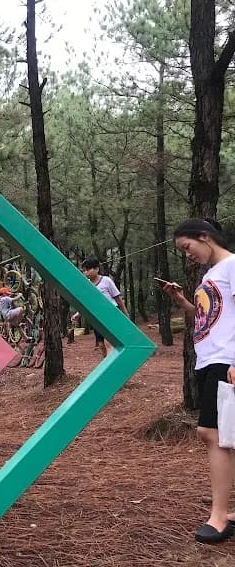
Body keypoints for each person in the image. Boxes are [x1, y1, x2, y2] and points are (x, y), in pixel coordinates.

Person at [160, 218, 235, 543]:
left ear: (204, 237)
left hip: (225, 361)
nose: (187, 255)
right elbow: (208, 316)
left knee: (213, 433)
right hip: (209, 361)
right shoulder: (210, 275)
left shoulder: (232, 266)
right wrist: (182, 303)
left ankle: (219, 516)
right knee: (225, 435)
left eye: (187, 247)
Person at [80, 257, 129, 358]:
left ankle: (113, 364)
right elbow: (88, 303)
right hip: (98, 317)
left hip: (111, 314)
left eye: (88, 269)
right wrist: (78, 314)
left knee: (109, 341)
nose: (86, 272)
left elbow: (118, 298)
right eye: (84, 270)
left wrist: (125, 314)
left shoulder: (106, 280)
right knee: (101, 344)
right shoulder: (87, 285)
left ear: (97, 269)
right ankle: (105, 361)